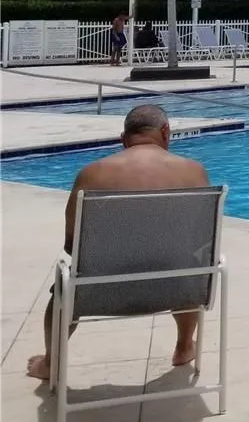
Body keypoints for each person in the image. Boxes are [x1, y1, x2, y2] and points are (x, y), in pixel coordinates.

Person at [27, 105, 209, 381]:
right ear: (165, 131)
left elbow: (71, 244)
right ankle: (184, 347)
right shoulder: (194, 171)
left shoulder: (92, 174)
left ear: (124, 138)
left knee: (64, 286)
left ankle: (51, 362)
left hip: (99, 293)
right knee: (190, 265)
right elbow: (202, 239)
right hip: (178, 287)